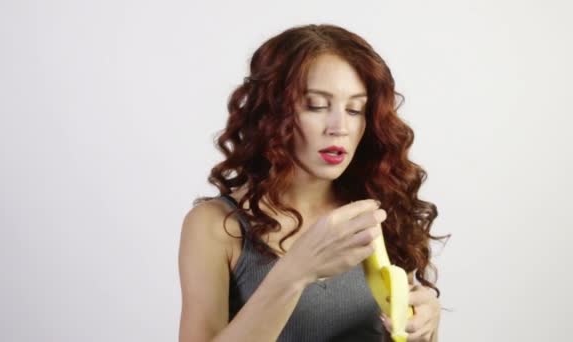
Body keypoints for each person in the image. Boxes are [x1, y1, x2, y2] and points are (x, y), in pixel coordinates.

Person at [178, 24, 449, 342]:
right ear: (271, 113)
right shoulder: (216, 225)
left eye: (355, 109)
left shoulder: (380, 209)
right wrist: (295, 273)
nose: (340, 127)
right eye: (317, 106)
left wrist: (427, 325)